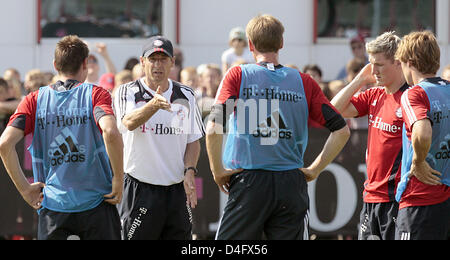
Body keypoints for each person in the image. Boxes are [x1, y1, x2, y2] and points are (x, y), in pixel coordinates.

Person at [206, 14, 350, 240]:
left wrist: (217, 172)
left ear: (250, 45)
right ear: (281, 43)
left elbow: (214, 126)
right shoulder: (304, 81)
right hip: (290, 183)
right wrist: (315, 169)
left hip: (248, 181)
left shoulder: (238, 75)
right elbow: (342, 130)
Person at [0, 35, 124, 240]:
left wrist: (25, 189)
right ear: (85, 64)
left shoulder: (34, 99)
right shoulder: (96, 94)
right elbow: (110, 132)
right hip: (97, 203)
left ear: (55, 64)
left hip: (53, 205)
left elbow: (4, 144)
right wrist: (118, 178)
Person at [114, 35, 205, 240]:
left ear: (172, 62)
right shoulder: (128, 92)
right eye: (152, 59)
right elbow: (128, 122)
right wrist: (153, 105)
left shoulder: (186, 94)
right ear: (142, 61)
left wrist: (190, 170)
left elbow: (193, 140)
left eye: (163, 59)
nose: (157, 65)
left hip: (176, 192)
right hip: (140, 189)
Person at [331, 32, 407, 240]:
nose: (373, 71)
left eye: (379, 65)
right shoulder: (375, 94)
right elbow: (334, 109)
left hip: (396, 200)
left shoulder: (411, 98)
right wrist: (359, 80)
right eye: (371, 63)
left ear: (398, 62)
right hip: (370, 195)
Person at [394, 31, 449, 240]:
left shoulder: (414, 93)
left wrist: (418, 162)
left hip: (420, 200)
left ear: (410, 62)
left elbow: (423, 131)